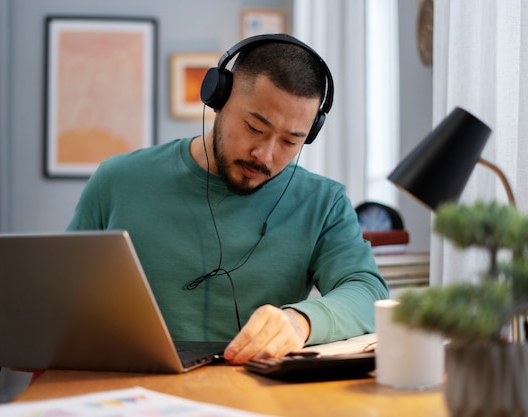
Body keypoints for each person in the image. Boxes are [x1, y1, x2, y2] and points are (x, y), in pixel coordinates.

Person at [66, 34, 389, 365]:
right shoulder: (117, 180)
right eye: (254, 128)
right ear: (218, 99)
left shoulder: (325, 203)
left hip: (251, 394)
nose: (265, 156)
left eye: (290, 142)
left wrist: (300, 321)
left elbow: (367, 292)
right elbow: (59, 294)